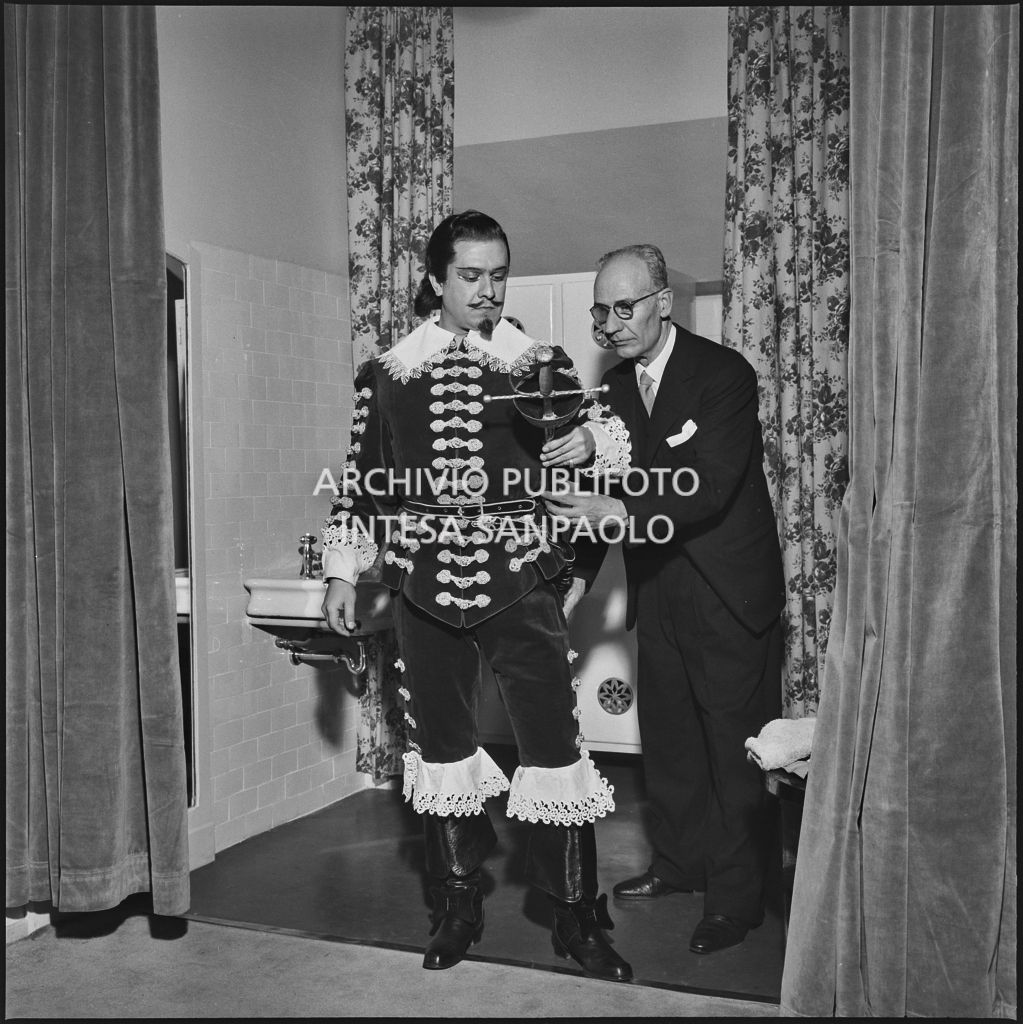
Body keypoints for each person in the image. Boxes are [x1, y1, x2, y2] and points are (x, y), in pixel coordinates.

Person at [320, 211, 634, 980]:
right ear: (435, 280)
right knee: (442, 750)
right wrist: (341, 571)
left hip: (520, 583)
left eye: (498, 275)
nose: (487, 291)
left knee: (555, 748)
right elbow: (364, 486)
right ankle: (457, 906)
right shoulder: (387, 374)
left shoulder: (538, 361)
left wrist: (589, 443)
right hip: (423, 589)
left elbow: (605, 450)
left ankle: (574, 915)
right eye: (470, 276)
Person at [547, 243, 785, 955]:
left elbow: (709, 485)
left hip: (727, 593)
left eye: (624, 307)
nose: (610, 323)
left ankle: (737, 900)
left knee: (734, 755)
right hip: (658, 590)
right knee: (673, 744)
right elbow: (600, 497)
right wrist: (578, 579)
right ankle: (679, 866)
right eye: (601, 310)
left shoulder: (723, 374)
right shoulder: (614, 387)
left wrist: (616, 511)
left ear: (663, 302)